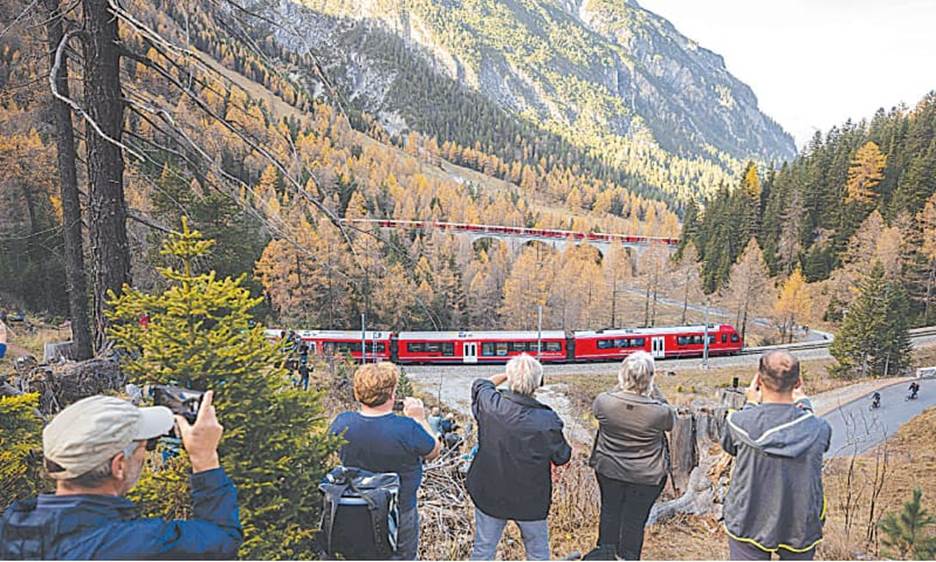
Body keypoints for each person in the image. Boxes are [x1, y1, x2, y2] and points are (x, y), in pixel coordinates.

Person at [0, 391, 242, 559]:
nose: (145, 455)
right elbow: (222, 540)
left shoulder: (12, 524)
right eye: (146, 447)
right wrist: (205, 458)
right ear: (119, 466)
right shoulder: (139, 545)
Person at [721, 350, 831, 560]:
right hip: (800, 522)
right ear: (798, 383)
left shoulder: (738, 422)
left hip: (748, 518)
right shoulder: (819, 428)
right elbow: (813, 437)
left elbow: (729, 445)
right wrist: (805, 405)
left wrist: (751, 403)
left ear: (759, 381)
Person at [328, 362, 441, 560]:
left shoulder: (342, 422)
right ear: (392, 395)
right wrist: (420, 418)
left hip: (355, 505)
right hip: (400, 509)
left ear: (357, 393)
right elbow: (434, 451)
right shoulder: (406, 427)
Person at [467, 353, 572, 561]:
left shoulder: (490, 405)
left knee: (484, 549)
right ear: (538, 384)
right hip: (531, 500)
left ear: (510, 377)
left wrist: (507, 375)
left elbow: (481, 384)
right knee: (538, 553)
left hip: (490, 493)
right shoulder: (547, 420)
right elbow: (562, 456)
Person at [585, 351, 675, 560]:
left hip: (609, 470)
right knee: (634, 521)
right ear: (651, 378)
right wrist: (649, 388)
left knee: (609, 512)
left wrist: (625, 384)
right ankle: (628, 557)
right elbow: (670, 420)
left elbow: (613, 396)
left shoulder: (603, 403)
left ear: (621, 375)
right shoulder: (660, 412)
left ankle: (605, 555)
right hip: (647, 476)